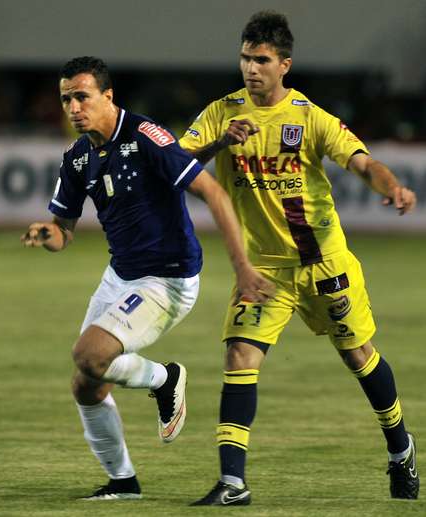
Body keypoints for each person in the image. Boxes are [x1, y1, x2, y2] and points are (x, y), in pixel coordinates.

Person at [179, 11, 419, 505]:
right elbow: (176, 165)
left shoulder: (310, 118)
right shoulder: (222, 113)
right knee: (239, 356)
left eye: (262, 59)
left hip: (323, 263)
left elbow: (362, 161)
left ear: (284, 64)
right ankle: (232, 483)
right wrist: (223, 141)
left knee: (358, 356)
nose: (251, 68)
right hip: (264, 268)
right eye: (245, 57)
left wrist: (391, 184)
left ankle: (401, 448)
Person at [21, 56, 273, 500]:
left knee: (89, 353)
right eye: (66, 99)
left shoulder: (144, 135)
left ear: (107, 96)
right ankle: (124, 481)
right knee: (86, 382)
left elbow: (211, 191)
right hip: (121, 275)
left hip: (167, 279)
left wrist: (243, 268)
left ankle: (164, 379)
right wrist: (49, 234)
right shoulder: (78, 157)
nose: (74, 107)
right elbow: (64, 232)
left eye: (82, 96)